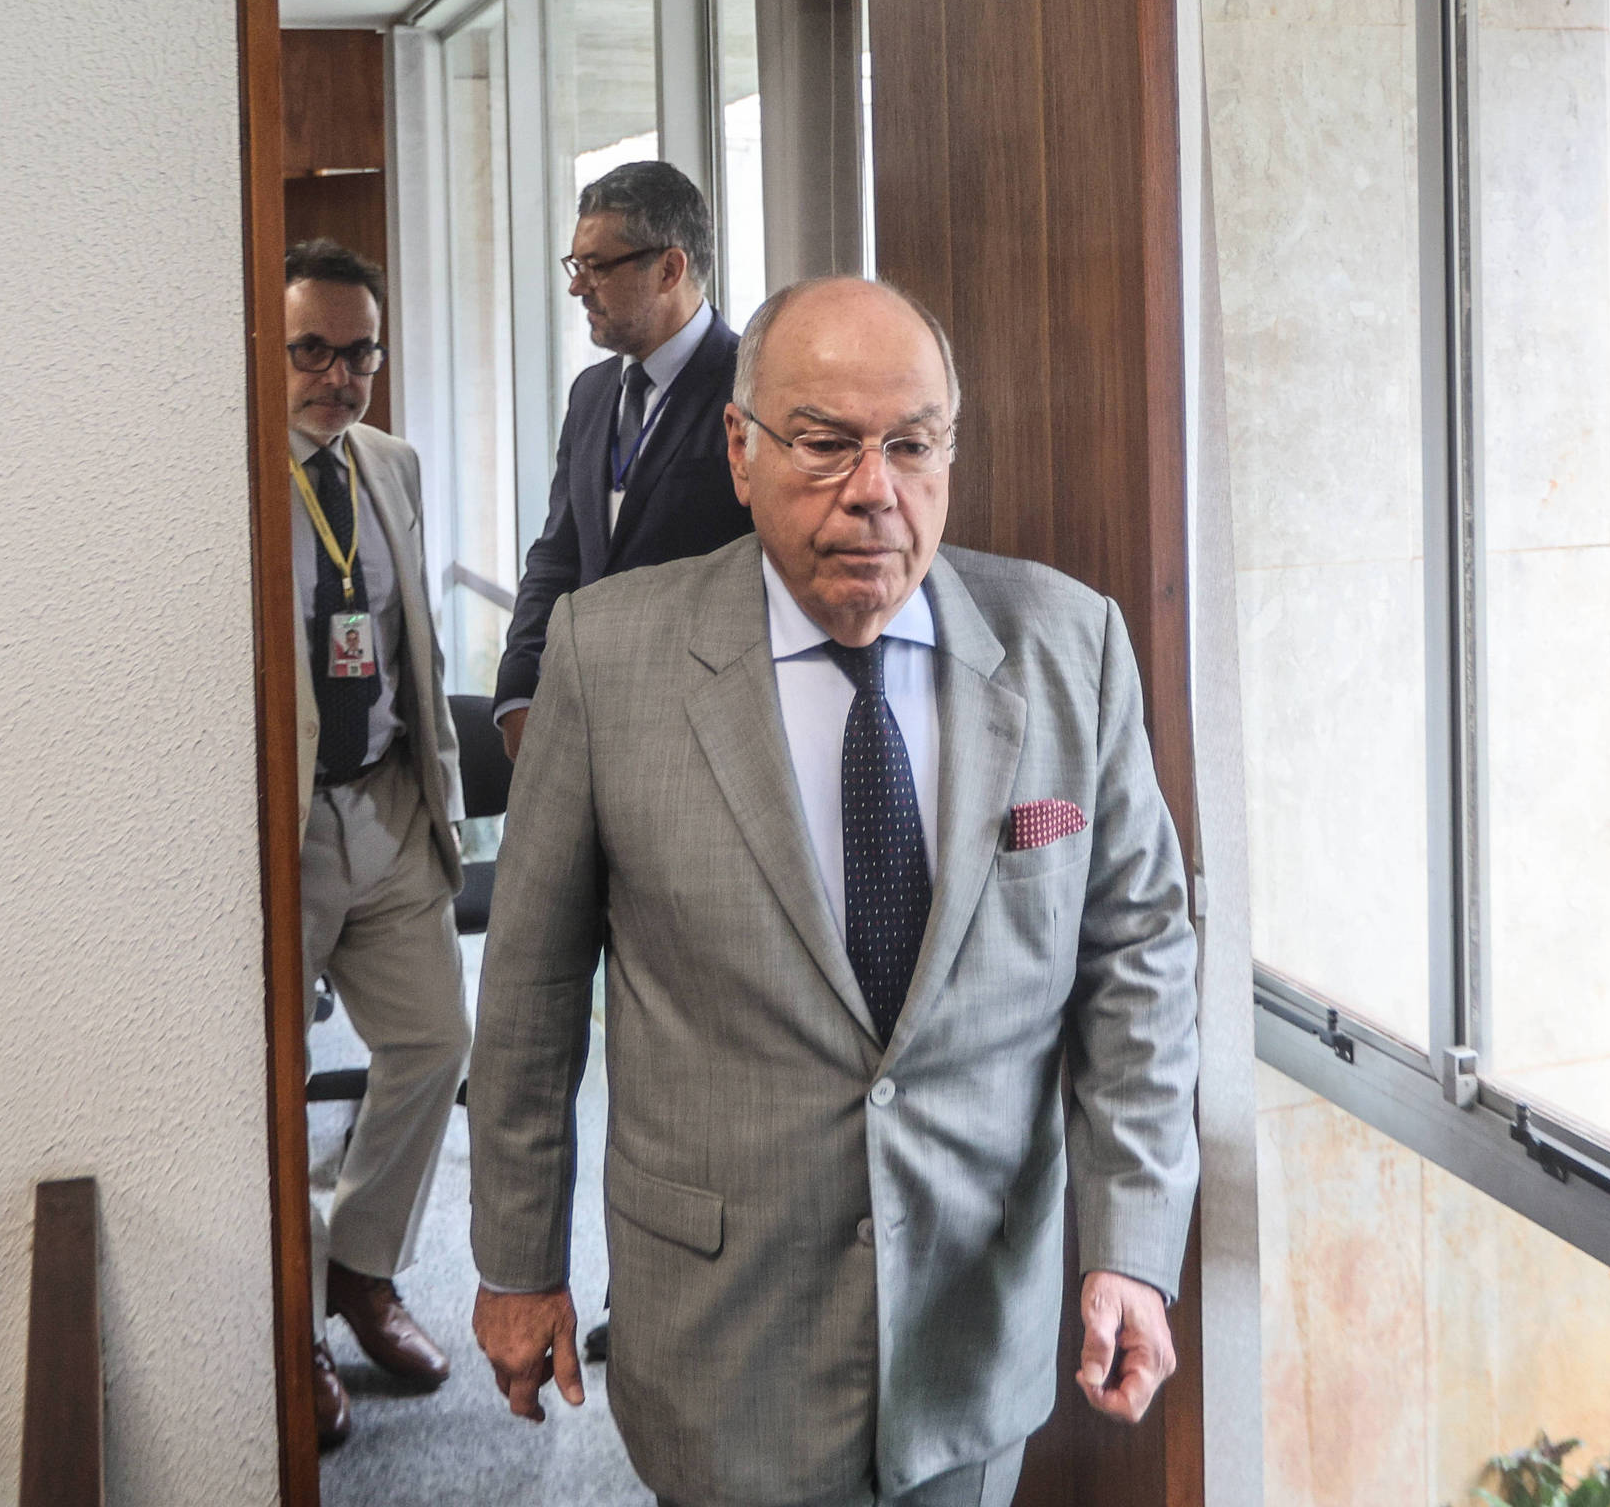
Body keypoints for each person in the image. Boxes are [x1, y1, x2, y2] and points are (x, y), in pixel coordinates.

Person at [467, 276, 1201, 1507]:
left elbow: (1140, 955)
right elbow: (534, 989)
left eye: (912, 445)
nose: (876, 490)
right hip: (720, 1333)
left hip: (973, 1321)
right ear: (742, 452)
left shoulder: (1072, 648)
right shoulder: (608, 656)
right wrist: (514, 1258)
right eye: (825, 444)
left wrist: (1132, 1243)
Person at [282, 238, 471, 1450]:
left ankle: (362, 1268)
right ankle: (289, 1325)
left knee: (436, 1040)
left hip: (388, 805)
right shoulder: (230, 468)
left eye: (359, 353)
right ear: (271, 346)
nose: (338, 376)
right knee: (263, 1093)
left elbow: (412, 643)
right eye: (313, 349)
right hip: (282, 829)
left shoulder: (389, 463)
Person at [494, 160, 754, 764]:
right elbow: (559, 552)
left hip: (698, 737)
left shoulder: (752, 388)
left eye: (597, 267)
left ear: (669, 268)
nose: (576, 287)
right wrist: (518, 691)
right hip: (581, 727)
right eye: (575, 265)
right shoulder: (590, 394)